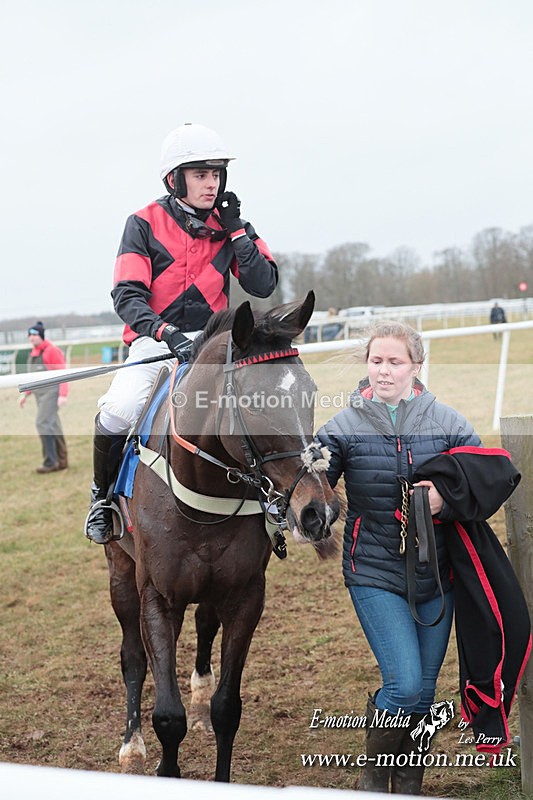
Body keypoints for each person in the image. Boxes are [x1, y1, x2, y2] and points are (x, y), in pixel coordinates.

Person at [85, 122, 278, 544]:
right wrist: (165, 332)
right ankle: (102, 498)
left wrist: (238, 230)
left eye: (216, 174)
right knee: (118, 410)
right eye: (201, 175)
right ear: (175, 179)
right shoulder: (141, 223)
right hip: (155, 340)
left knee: (261, 405)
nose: (211, 184)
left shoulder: (232, 226)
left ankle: (274, 498)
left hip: (214, 344)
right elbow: (126, 294)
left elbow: (264, 283)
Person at [316, 320, 482, 795]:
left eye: (394, 362)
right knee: (405, 686)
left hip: (440, 574)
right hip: (374, 572)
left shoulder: (448, 422)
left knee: (425, 694)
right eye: (376, 361)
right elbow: (312, 485)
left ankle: (407, 784)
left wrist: (444, 502)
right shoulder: (342, 426)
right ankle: (374, 779)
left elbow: (481, 481)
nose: (383, 371)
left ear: (416, 365)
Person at [18, 322, 69, 473]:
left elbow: (62, 373)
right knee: (53, 426)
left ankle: (50, 462)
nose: (31, 338)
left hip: (51, 394)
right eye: (30, 335)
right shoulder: (33, 353)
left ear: (41, 335)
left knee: (42, 423)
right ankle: (62, 461)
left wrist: (63, 394)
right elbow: (34, 378)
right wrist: (25, 394)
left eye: (34, 335)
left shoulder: (51, 351)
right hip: (39, 395)